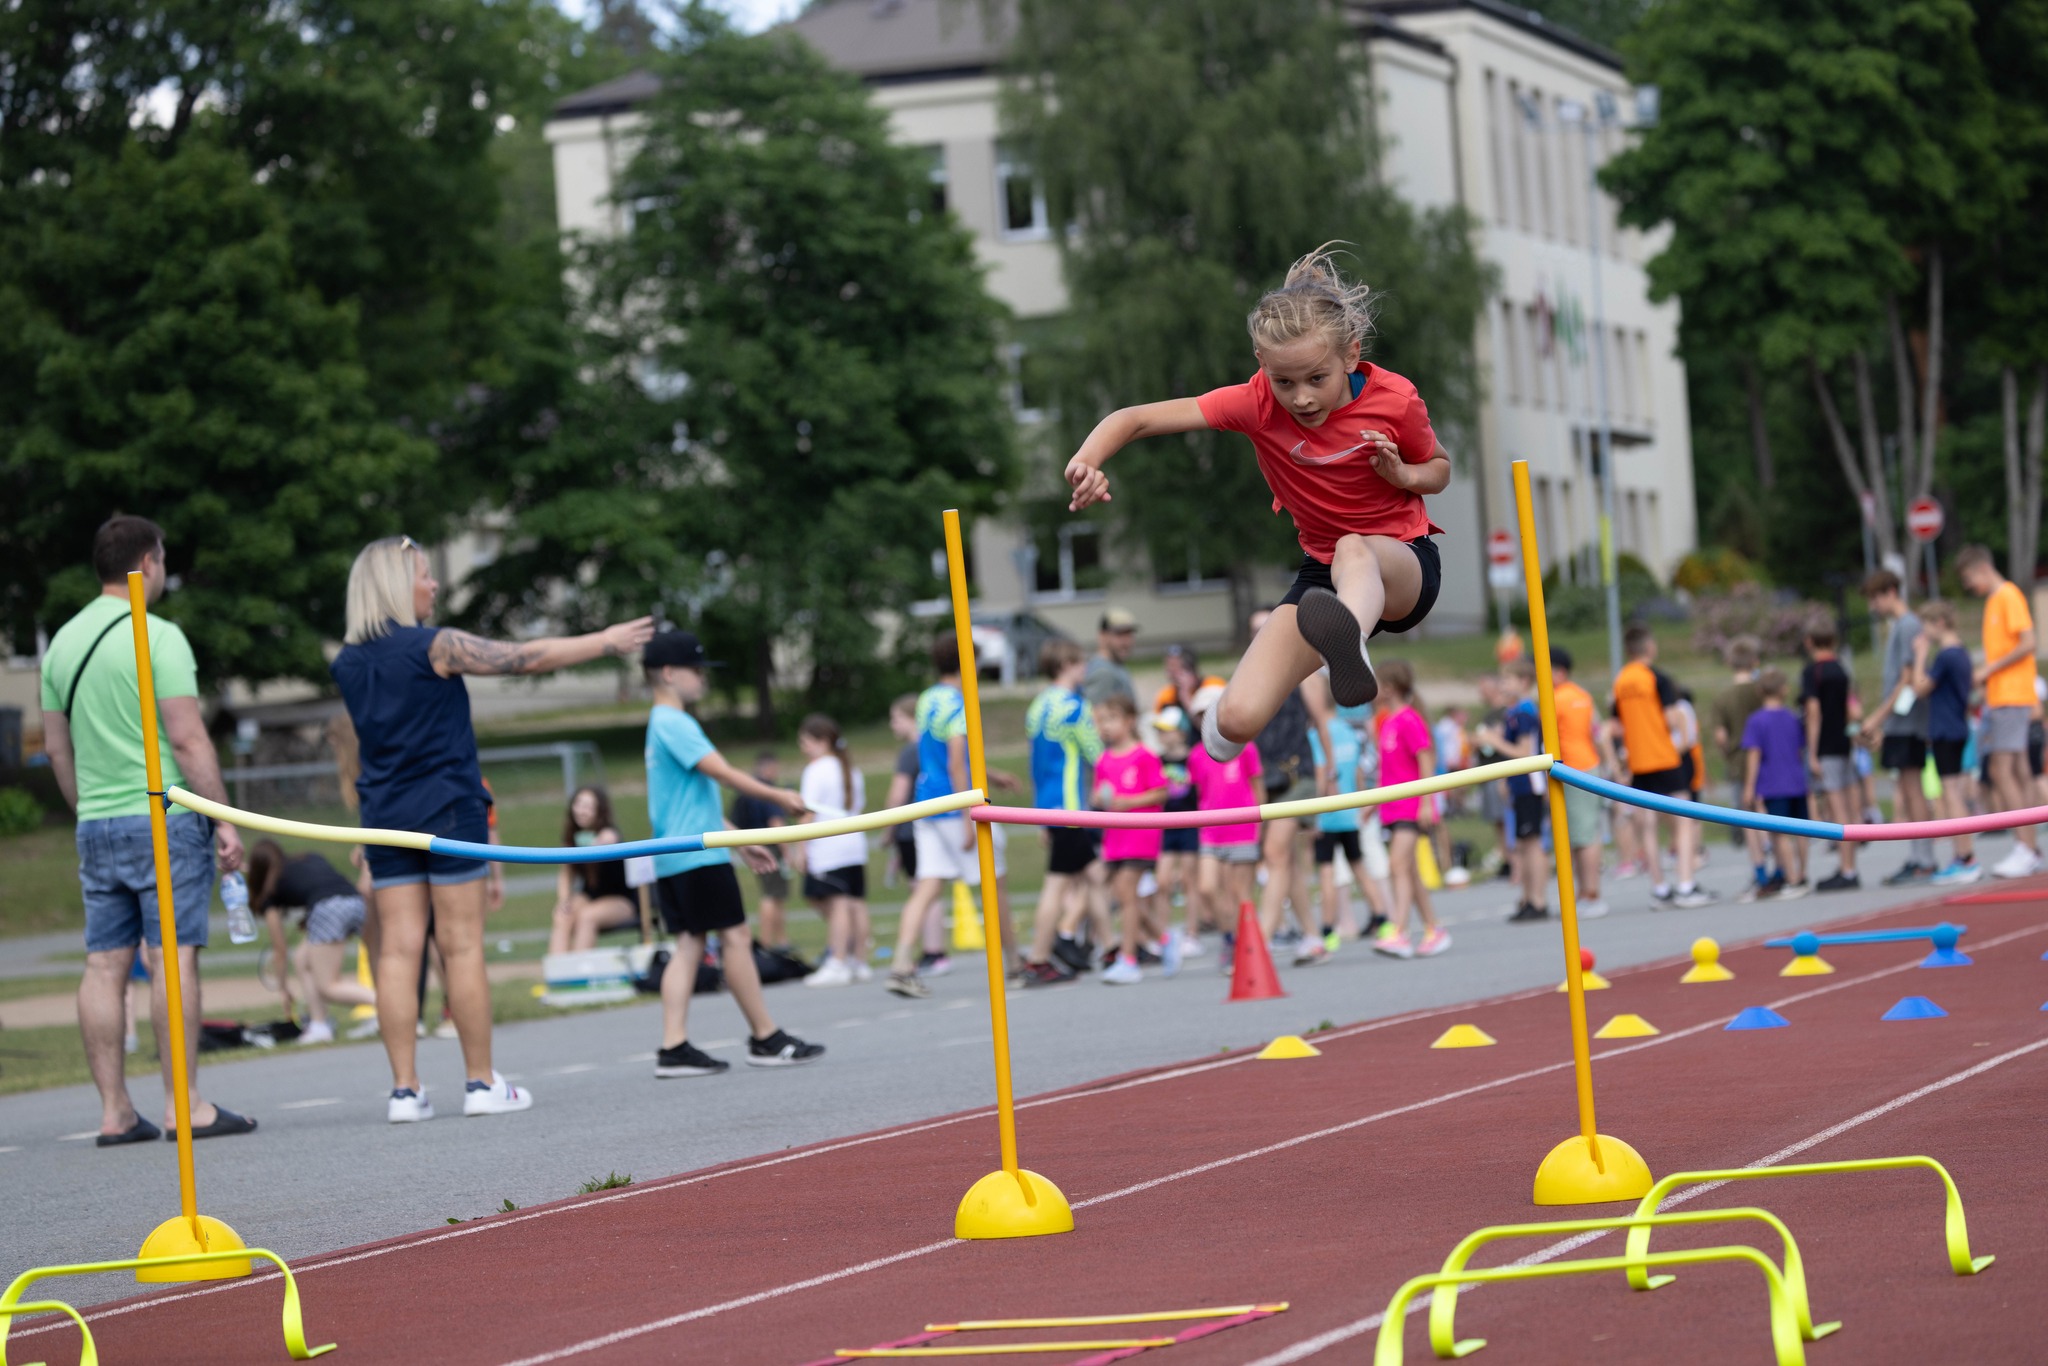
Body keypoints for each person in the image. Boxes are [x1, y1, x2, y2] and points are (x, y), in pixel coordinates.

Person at [1066, 246, 1453, 753]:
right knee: (1235, 720)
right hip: (1322, 579)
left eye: (1318, 378)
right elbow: (1135, 418)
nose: (1303, 398)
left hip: (1400, 562)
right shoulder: (1256, 403)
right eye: (1285, 382)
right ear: (1262, 365)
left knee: (1354, 548)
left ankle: (1348, 641)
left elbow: (1440, 470)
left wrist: (1400, 472)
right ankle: (1266, 700)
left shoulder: (1394, 400)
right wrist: (1087, 460)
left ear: (1351, 355)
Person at [332, 535, 652, 1122]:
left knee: (397, 954)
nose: (433, 585)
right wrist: (605, 642)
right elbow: (524, 657)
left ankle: (405, 1092)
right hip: (449, 810)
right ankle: (481, 1085)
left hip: (384, 818)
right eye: (425, 575)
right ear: (398, 585)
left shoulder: (348, 662)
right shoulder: (436, 645)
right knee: (461, 946)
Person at [39, 515, 255, 1144]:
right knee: (170, 955)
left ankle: (114, 1112)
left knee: (104, 964)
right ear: (148, 562)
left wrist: (88, 810)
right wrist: (223, 820)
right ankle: (184, 1104)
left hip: (98, 819)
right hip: (163, 814)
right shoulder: (156, 636)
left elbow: (57, 750)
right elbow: (187, 738)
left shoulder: (61, 643)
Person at [638, 630, 823, 1075]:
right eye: (695, 670)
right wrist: (779, 797)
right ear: (668, 673)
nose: (702, 679)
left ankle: (673, 1047)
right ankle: (765, 1037)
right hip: (697, 857)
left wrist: (738, 838)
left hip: (678, 853)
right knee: (736, 937)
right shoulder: (673, 722)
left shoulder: (660, 725)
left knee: (688, 945)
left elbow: (691, 803)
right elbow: (721, 773)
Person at [886, 632, 1016, 998]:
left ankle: (899, 965)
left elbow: (940, 753)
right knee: (996, 883)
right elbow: (956, 760)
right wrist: (967, 816)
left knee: (928, 885)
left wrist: (990, 773)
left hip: (928, 802)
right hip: (955, 805)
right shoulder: (959, 702)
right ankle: (1018, 965)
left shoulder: (927, 698)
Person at [1246, 607, 1332, 959]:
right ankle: (1312, 936)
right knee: (1289, 861)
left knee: (1275, 852)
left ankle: (1261, 940)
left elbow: (1323, 724)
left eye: (1265, 627)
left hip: (1299, 774)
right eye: (1254, 629)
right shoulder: (1252, 674)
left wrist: (1329, 778)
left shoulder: (1301, 671)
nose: (1259, 634)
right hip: (1269, 779)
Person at [1611, 625, 1712, 907]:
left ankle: (1659, 888)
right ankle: (1685, 885)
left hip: (1639, 762)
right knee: (1683, 822)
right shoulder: (1657, 678)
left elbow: (1617, 724)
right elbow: (1670, 719)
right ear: (1649, 647)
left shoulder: (1621, 681)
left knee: (1648, 827)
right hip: (1665, 758)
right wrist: (1681, 734)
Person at [1957, 545, 2042, 877]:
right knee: (2018, 771)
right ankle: (2028, 845)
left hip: (2012, 695)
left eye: (1968, 579)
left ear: (1981, 569)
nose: (1969, 587)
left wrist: (1988, 670)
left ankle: (2025, 846)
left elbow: (2028, 642)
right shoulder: (1995, 601)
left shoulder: (2008, 596)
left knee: (2002, 769)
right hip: (2003, 695)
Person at [1022, 640, 1102, 985]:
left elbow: (1034, 763)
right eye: (1080, 663)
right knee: (1057, 884)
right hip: (1071, 805)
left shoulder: (1037, 707)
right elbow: (1097, 754)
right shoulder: (1074, 707)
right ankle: (1041, 955)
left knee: (1096, 875)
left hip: (1048, 802)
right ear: (1066, 664)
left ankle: (1108, 945)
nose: (1084, 669)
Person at [247, 840, 374, 1044]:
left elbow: (279, 950)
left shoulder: (269, 892)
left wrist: (283, 988)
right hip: (356, 901)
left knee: (328, 986)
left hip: (329, 908)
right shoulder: (309, 858)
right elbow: (328, 884)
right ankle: (319, 1025)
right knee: (302, 960)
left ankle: (389, 1005)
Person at [1858, 573, 1938, 884]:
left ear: (1891, 592)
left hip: (1908, 722)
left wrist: (1879, 717)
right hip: (1900, 722)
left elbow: (1906, 680)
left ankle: (1924, 859)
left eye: (1876, 598)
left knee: (1913, 788)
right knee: (1906, 788)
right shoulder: (1899, 627)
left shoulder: (1908, 625)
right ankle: (1918, 855)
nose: (1873, 605)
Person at [1093, 694, 1169, 984]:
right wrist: (1100, 798)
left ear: (1129, 721)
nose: (1106, 727)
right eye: (1102, 721)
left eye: (1112, 719)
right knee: (1124, 896)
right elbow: (1099, 795)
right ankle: (1162, 938)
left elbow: (1161, 792)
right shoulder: (1104, 760)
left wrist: (1130, 801)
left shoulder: (1144, 755)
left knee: (1126, 890)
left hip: (1141, 833)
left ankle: (1128, 958)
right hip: (1115, 835)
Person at [1374, 661, 1448, 957]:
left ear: (1389, 688)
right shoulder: (1386, 721)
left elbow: (1425, 760)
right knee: (1409, 871)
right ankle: (1434, 928)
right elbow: (1389, 770)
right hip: (1392, 807)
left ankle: (1399, 930)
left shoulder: (1409, 719)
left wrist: (1428, 802)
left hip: (1411, 806)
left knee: (1397, 864)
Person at [793, 714, 872, 988]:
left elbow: (808, 811)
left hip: (829, 845)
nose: (803, 748)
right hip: (854, 844)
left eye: (806, 742)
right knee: (854, 903)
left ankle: (838, 960)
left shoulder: (817, 770)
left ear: (822, 741)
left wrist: (800, 847)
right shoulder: (850, 768)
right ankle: (858, 960)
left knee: (837, 903)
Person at [1186, 684, 1263, 967]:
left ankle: (1248, 946)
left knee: (1239, 893)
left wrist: (1259, 827)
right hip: (1211, 832)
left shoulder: (1246, 748)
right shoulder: (1196, 754)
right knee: (1207, 887)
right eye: (1200, 715)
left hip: (1242, 830)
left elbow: (1257, 787)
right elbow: (1199, 793)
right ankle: (1229, 938)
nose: (1205, 719)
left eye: (1210, 712)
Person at [1308, 705, 1391, 946]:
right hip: (1350, 811)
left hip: (1327, 814)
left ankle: (1328, 931)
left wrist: (1313, 813)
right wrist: (1362, 801)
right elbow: (1357, 771)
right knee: (1358, 866)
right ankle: (1383, 918)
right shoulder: (1348, 730)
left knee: (1326, 871)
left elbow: (1322, 772)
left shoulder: (1317, 735)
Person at [1913, 601, 1983, 884]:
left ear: (1940, 622)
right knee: (1953, 790)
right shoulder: (1963, 653)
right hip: (1956, 726)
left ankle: (1965, 857)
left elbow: (1920, 687)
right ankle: (1963, 855)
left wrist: (1920, 655)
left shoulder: (1946, 655)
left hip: (1946, 729)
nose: (1924, 632)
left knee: (1951, 792)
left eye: (1927, 626)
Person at [1475, 661, 1549, 923]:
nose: (1503, 685)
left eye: (1508, 680)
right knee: (1522, 843)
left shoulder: (1526, 711)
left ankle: (1538, 899)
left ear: (1524, 682)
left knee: (1532, 842)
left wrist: (1496, 741)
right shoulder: (1513, 712)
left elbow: (1524, 752)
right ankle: (1527, 897)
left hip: (1530, 783)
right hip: (1518, 783)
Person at [1707, 636, 1774, 899]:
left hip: (1738, 762)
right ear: (1755, 661)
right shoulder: (1762, 690)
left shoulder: (1723, 698)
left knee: (1748, 819)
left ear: (1730, 663)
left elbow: (1721, 737)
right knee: (1767, 810)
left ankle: (1759, 872)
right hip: (1768, 760)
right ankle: (1775, 856)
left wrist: (1727, 753)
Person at [1551, 649, 1616, 918]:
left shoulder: (1554, 699)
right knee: (1584, 834)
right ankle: (1586, 893)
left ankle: (1591, 894)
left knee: (1584, 836)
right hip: (1589, 766)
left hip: (1572, 769)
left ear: (1559, 671)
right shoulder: (1582, 696)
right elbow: (1598, 732)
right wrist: (1610, 763)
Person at [1798, 625, 1860, 891]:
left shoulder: (1814, 671)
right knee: (1848, 805)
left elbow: (1813, 712)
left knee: (1838, 810)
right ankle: (1849, 866)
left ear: (1810, 641)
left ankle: (1847, 870)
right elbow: (1850, 707)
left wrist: (1812, 752)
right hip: (1843, 742)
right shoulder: (1841, 669)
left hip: (1826, 744)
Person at [1740, 668, 1811, 899]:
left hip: (1774, 784)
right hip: (1796, 780)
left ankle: (1791, 879)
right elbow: (1800, 749)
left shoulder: (1756, 720)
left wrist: (1750, 786)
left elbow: (1754, 755)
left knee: (1780, 835)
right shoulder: (1792, 717)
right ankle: (1801, 874)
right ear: (1784, 690)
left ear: (1760, 690)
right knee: (1801, 830)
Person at [546, 787, 637, 954]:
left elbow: (606, 841)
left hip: (621, 900)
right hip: (590, 896)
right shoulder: (572, 837)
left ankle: (580, 974)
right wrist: (564, 900)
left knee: (587, 916)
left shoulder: (609, 834)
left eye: (588, 806)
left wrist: (588, 844)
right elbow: (566, 874)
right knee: (562, 914)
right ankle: (557, 973)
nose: (581, 811)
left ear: (599, 810)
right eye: (578, 804)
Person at [1151, 707, 1208, 957]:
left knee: (1188, 880)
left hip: (1189, 824)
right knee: (1162, 881)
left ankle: (1191, 933)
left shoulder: (1193, 758)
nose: (1162, 736)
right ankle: (1162, 934)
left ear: (1181, 733)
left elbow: (1201, 788)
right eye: (1160, 731)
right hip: (1166, 825)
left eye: (1167, 731)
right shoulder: (1157, 760)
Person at [729, 752, 794, 951]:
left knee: (773, 894)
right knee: (772, 895)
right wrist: (787, 851)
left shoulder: (744, 794)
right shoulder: (768, 791)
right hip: (771, 846)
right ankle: (769, 942)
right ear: (768, 767)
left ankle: (781, 940)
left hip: (752, 844)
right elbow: (776, 823)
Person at [1083, 608, 1140, 708]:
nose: (1125, 641)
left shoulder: (1115, 664)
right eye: (1119, 634)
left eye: (1129, 634)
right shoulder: (1102, 672)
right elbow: (1094, 718)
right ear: (1102, 636)